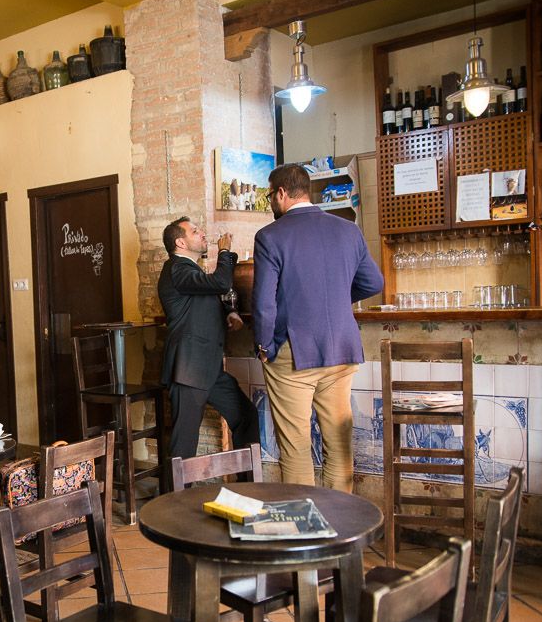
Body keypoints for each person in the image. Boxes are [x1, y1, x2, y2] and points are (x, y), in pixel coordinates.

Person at [252, 163, 383, 492]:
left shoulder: (270, 236)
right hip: (342, 348)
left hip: (294, 354)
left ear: (281, 193)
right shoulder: (347, 230)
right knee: (338, 445)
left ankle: (305, 533)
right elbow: (374, 282)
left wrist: (264, 346)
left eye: (271, 196)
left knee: (295, 448)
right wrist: (338, 296)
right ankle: (340, 528)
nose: (271, 202)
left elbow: (264, 303)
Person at [158, 217, 258, 460]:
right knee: (184, 446)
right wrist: (224, 252)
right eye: (195, 231)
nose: (202, 233)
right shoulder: (175, 268)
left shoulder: (188, 271)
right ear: (180, 242)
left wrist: (230, 311)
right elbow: (220, 282)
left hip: (208, 368)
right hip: (188, 369)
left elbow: (205, 294)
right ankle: (176, 499)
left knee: (246, 416)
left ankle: (248, 486)